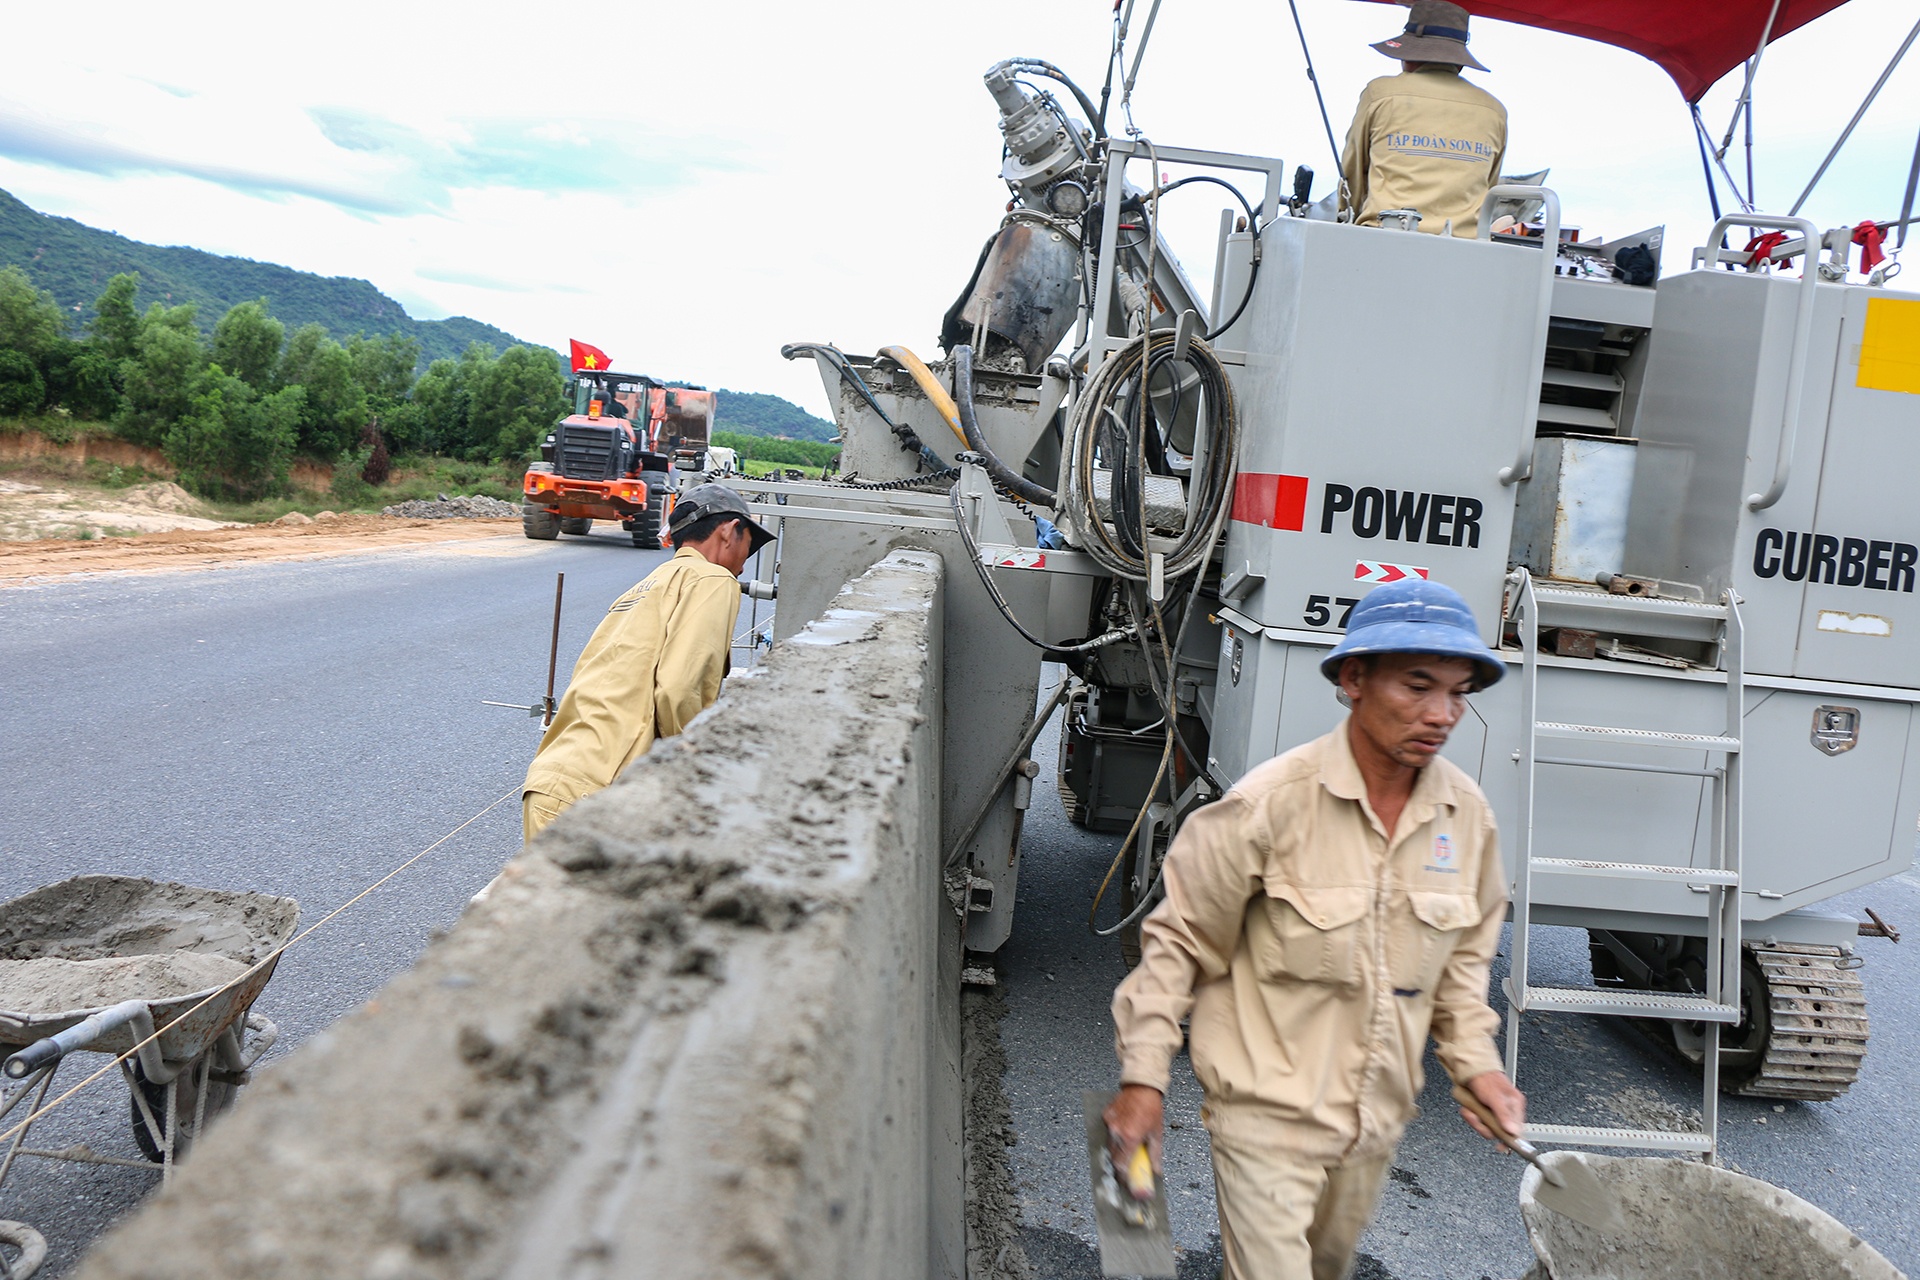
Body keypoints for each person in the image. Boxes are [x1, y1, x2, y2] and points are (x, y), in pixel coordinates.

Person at [1105, 578, 1525, 1280]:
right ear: (1355, 678)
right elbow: (1178, 944)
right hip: (1263, 1123)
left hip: (1374, 1130)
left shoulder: (1467, 817)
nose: (1441, 713)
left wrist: (1478, 1065)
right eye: (1418, 685)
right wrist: (1143, 1080)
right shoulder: (1269, 805)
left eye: (1457, 692)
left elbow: (1460, 970)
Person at [520, 484, 773, 841]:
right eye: (750, 546)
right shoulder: (714, 579)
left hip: (552, 782)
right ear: (729, 531)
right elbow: (678, 689)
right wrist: (704, 779)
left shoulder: (646, 585)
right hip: (601, 793)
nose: (745, 564)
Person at [1339, 0, 1507, 237]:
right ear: (1459, 62)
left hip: (1384, 235)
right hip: (1465, 247)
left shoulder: (1380, 93)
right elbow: (1490, 185)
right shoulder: (1494, 110)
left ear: (1408, 55)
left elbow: (1353, 173)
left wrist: (1345, 218)